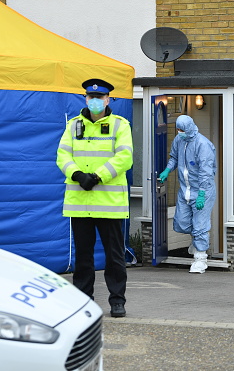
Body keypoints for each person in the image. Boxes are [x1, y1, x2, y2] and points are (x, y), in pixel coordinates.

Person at [56, 78, 133, 318]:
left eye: (100, 97)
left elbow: (125, 158)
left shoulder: (120, 125)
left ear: (108, 99)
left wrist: (97, 177)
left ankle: (117, 301)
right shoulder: (73, 125)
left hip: (109, 205)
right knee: (83, 257)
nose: (95, 101)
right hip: (80, 203)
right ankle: (83, 301)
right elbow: (62, 156)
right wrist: (77, 174)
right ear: (85, 99)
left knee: (115, 257)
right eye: (91, 97)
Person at [158, 115, 216, 274]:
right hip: (185, 190)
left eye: (182, 129)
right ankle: (196, 240)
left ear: (190, 127)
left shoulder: (203, 145)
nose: (179, 132)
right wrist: (167, 170)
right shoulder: (179, 140)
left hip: (202, 190)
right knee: (181, 222)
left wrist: (202, 194)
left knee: (200, 225)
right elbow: (174, 158)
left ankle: (200, 259)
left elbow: (206, 172)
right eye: (178, 129)